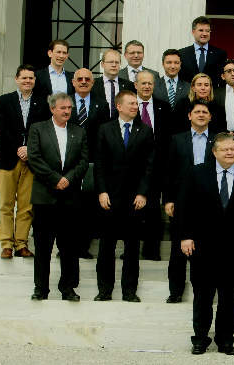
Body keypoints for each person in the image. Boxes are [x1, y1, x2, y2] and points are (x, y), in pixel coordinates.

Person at [179, 133, 234, 356]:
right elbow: (184, 207)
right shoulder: (197, 173)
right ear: (214, 152)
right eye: (224, 149)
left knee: (229, 298)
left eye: (232, 149)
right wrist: (186, 236)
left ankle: (225, 340)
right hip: (203, 248)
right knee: (203, 296)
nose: (229, 152)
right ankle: (200, 339)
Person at [93, 90, 154, 302]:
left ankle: (129, 291)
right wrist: (101, 191)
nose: (135, 107)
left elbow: (149, 166)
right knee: (106, 247)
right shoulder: (104, 130)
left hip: (134, 199)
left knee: (132, 248)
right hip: (109, 197)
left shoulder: (145, 131)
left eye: (136, 104)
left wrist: (143, 193)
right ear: (119, 106)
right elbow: (99, 164)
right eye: (131, 103)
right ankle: (104, 290)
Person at [27, 92, 88, 301]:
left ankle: (68, 288)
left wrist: (68, 179)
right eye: (63, 108)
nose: (67, 111)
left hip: (70, 199)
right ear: (53, 109)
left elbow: (83, 161)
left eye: (69, 108)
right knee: (43, 247)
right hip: (45, 198)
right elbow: (34, 158)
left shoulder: (78, 132)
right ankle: (41, 289)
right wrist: (55, 179)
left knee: (70, 247)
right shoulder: (38, 129)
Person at [0, 64, 50, 259]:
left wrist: (30, 150)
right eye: (24, 78)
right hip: (8, 158)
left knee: (27, 205)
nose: (27, 81)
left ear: (35, 81)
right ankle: (7, 243)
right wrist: (18, 148)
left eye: (31, 78)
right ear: (17, 79)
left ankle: (21, 243)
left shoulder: (43, 103)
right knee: (6, 204)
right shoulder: (4, 101)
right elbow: (0, 129)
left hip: (32, 160)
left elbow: (44, 130)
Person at [163, 100, 216, 303]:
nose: (201, 115)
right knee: (178, 248)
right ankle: (175, 291)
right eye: (197, 112)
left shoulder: (218, 140)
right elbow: (168, 172)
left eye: (205, 112)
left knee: (206, 250)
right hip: (182, 201)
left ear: (210, 116)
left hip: (210, 201)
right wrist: (167, 199)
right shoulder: (177, 140)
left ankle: (205, 291)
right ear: (189, 116)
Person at [69, 68, 110, 260]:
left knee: (87, 205)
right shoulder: (64, 102)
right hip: (68, 161)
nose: (84, 81)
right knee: (69, 204)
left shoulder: (101, 105)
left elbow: (104, 134)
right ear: (73, 82)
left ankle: (83, 246)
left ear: (93, 83)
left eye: (88, 79)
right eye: (80, 79)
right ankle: (66, 246)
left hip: (92, 161)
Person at [134, 71, 172, 261]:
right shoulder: (128, 106)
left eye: (150, 83)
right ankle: (130, 249)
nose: (147, 87)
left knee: (153, 211)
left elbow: (167, 139)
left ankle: (152, 250)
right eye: (143, 83)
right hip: (132, 168)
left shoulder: (163, 107)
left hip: (157, 166)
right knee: (131, 211)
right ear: (136, 85)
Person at [179, 16, 227, 88]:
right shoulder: (182, 54)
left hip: (212, 96)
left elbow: (223, 79)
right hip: (188, 96)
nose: (204, 34)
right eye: (201, 30)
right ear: (193, 32)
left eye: (207, 31)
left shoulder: (220, 54)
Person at [92, 49, 136, 120]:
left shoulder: (129, 85)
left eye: (117, 62)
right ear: (102, 64)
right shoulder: (93, 85)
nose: (114, 65)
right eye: (110, 62)